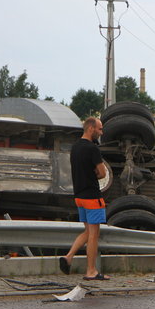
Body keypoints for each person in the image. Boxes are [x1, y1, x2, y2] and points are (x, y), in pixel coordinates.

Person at [59, 117, 111, 280]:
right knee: (94, 235)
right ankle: (91, 271)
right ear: (91, 129)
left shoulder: (75, 147)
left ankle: (68, 257)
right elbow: (103, 173)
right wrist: (95, 172)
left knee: (88, 231)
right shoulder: (92, 149)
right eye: (100, 129)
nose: (101, 132)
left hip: (79, 196)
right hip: (92, 196)